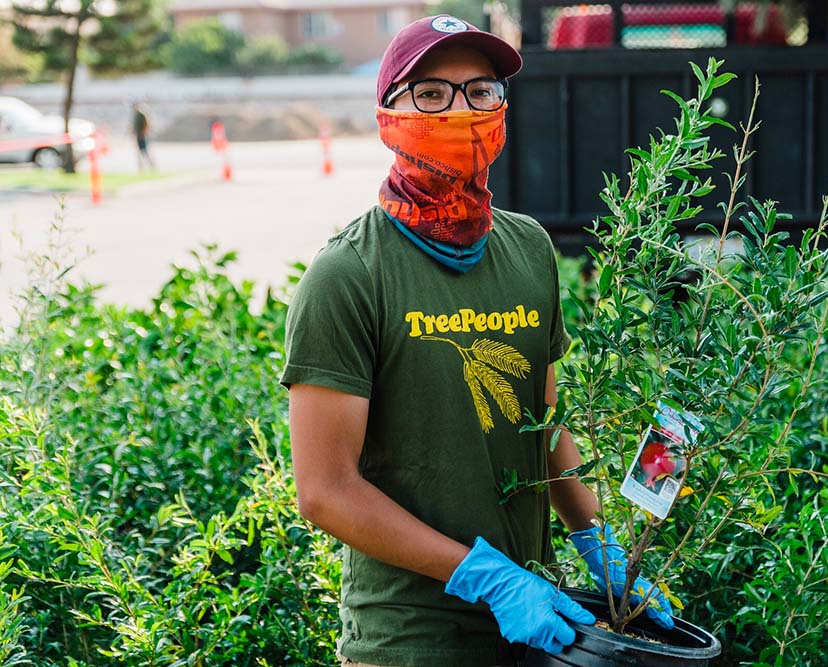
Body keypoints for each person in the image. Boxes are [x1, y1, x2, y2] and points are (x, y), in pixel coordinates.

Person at [281, 15, 675, 667]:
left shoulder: (528, 248)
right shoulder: (347, 274)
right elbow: (325, 491)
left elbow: (543, 422)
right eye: (431, 94)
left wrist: (598, 544)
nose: (459, 111)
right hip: (408, 640)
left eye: (480, 91)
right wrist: (486, 575)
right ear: (389, 114)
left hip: (538, 631)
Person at [131, 101, 155, 172]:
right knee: (139, 152)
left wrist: (143, 133)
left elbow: (147, 125)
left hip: (142, 136)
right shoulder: (136, 115)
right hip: (138, 135)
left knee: (145, 151)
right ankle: (141, 168)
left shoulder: (142, 114)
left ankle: (151, 166)